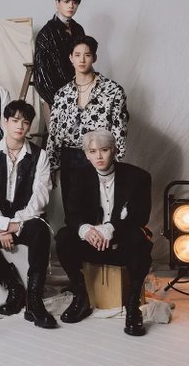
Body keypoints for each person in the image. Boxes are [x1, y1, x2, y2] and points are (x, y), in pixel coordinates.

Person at [0, 100, 57, 329]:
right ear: (5, 122)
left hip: (27, 219)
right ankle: (14, 286)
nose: (20, 126)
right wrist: (2, 225)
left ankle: (34, 301)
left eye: (25, 122)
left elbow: (40, 198)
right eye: (15, 120)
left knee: (41, 231)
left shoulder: (40, 155)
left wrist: (16, 223)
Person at [55, 129, 152, 336]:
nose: (99, 156)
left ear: (114, 151)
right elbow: (72, 216)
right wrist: (86, 230)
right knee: (63, 237)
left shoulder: (138, 177)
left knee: (140, 240)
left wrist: (111, 228)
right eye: (93, 151)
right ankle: (81, 296)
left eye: (104, 150)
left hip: (121, 245)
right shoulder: (79, 177)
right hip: (92, 245)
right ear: (86, 154)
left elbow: (141, 217)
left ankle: (132, 305)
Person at [46, 35, 129, 213]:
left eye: (87, 55)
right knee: (72, 212)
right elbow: (54, 132)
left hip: (100, 156)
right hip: (69, 157)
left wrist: (117, 164)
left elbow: (119, 130)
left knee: (100, 210)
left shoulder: (113, 90)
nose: (82, 60)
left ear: (94, 58)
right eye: (77, 55)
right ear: (71, 58)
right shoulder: (61, 94)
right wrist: (52, 165)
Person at [34, 0, 85, 106]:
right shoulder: (46, 34)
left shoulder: (78, 29)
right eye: (66, 1)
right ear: (57, 3)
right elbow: (42, 77)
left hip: (81, 91)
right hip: (57, 96)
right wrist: (59, 102)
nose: (71, 6)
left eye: (75, 2)